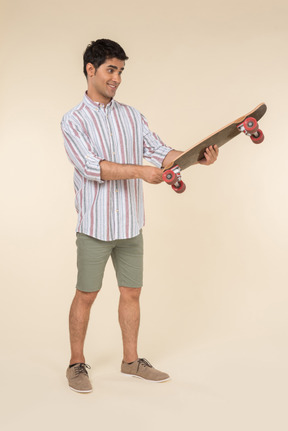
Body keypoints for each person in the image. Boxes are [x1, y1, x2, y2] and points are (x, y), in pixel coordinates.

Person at [61, 39, 219, 393]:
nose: (117, 78)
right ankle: (75, 364)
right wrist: (140, 172)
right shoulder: (74, 120)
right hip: (95, 226)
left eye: (121, 71)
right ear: (91, 70)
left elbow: (161, 152)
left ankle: (131, 361)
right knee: (86, 294)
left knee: (132, 293)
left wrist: (195, 157)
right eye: (111, 70)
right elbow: (90, 167)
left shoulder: (132, 115)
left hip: (131, 224)